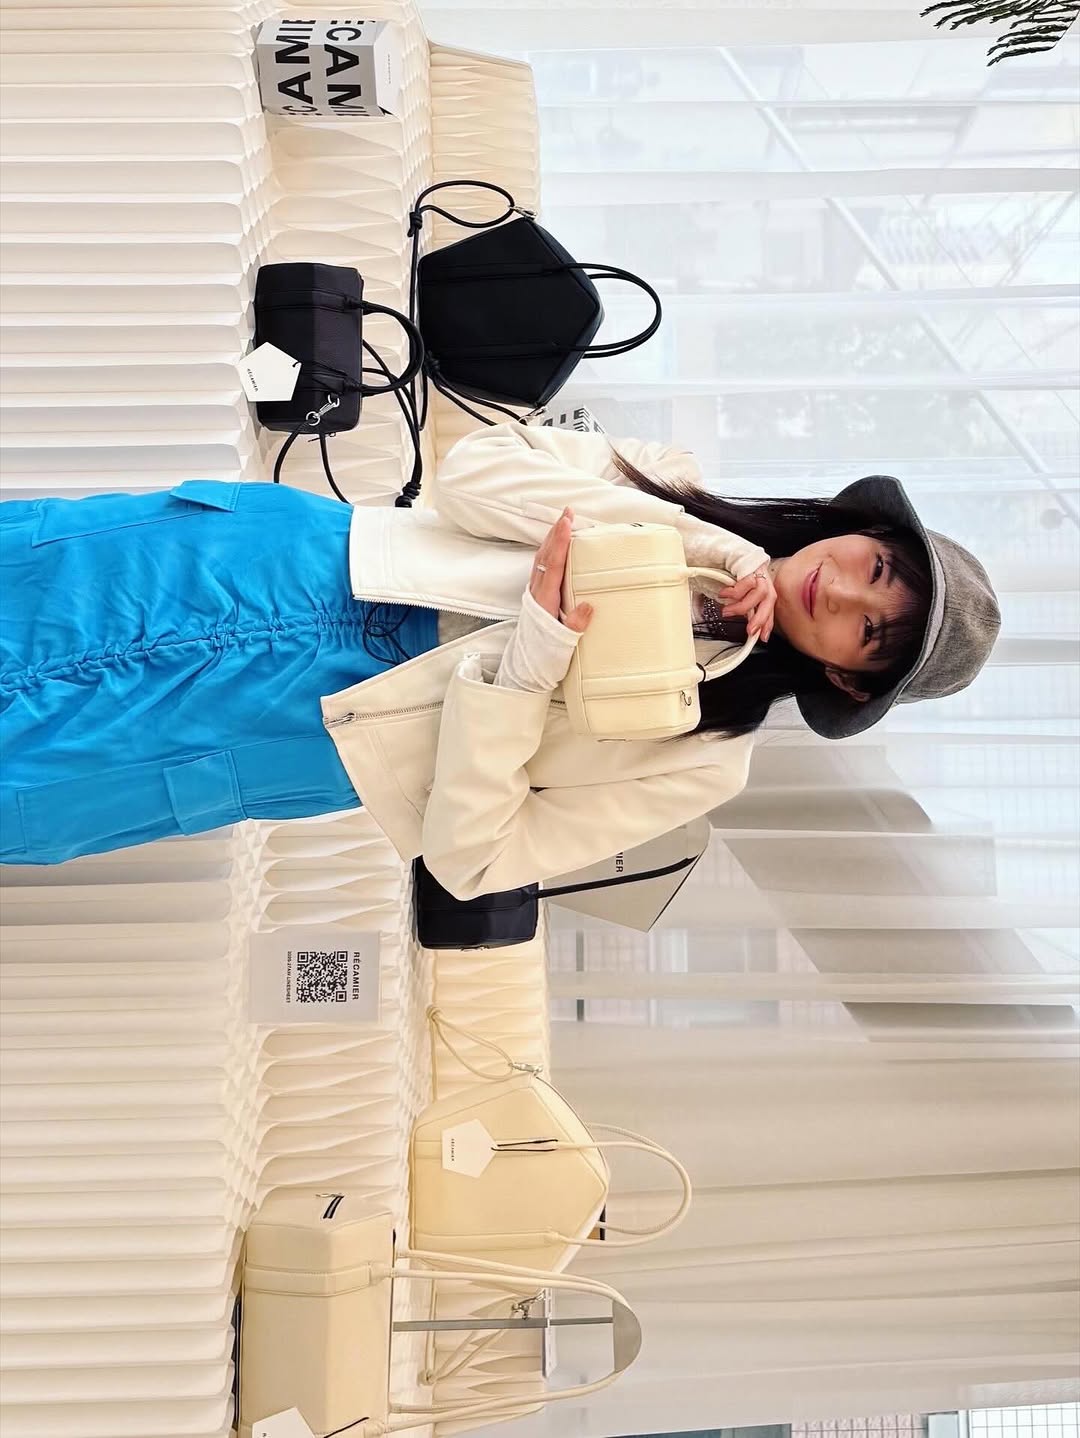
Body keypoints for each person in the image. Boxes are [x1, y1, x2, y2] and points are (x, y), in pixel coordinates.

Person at [0, 423, 1000, 890]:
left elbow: (474, 859)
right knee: (34, 585)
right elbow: (474, 477)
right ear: (857, 529)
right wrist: (701, 542)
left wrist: (527, 672)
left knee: (30, 775)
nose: (847, 593)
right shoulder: (670, 478)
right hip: (296, 564)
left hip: (311, 725)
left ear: (849, 676)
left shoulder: (705, 758)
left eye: (872, 630)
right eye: (876, 567)